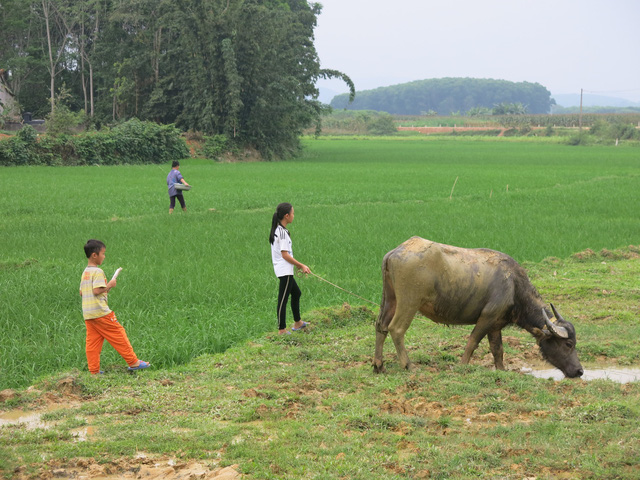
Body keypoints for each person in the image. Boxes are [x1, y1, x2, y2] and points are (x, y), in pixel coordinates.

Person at [80, 239, 150, 374]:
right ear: (95, 255)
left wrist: (106, 288)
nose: (104, 256)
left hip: (89, 314)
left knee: (92, 343)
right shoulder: (98, 272)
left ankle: (94, 371)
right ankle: (133, 362)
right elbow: (97, 291)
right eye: (103, 253)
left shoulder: (85, 272)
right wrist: (110, 285)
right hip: (101, 313)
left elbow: (83, 292)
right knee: (119, 334)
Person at [269, 203, 311, 335]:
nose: (294, 216)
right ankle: (282, 330)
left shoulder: (280, 230)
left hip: (285, 270)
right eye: (292, 213)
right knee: (283, 299)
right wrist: (301, 265)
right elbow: (285, 254)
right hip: (284, 271)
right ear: (286, 216)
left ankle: (298, 323)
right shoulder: (282, 233)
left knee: (296, 293)